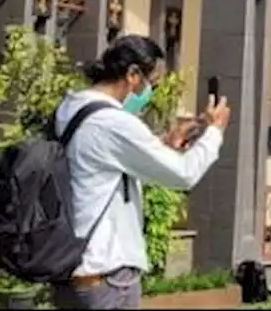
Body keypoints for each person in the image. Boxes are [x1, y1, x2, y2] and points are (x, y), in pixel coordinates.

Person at [50, 34, 229, 310]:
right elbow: (184, 173)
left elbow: (103, 160)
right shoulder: (114, 122)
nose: (150, 94)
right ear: (133, 75)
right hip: (106, 275)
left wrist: (164, 143)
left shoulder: (71, 108)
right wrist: (214, 132)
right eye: (151, 84)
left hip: (71, 269)